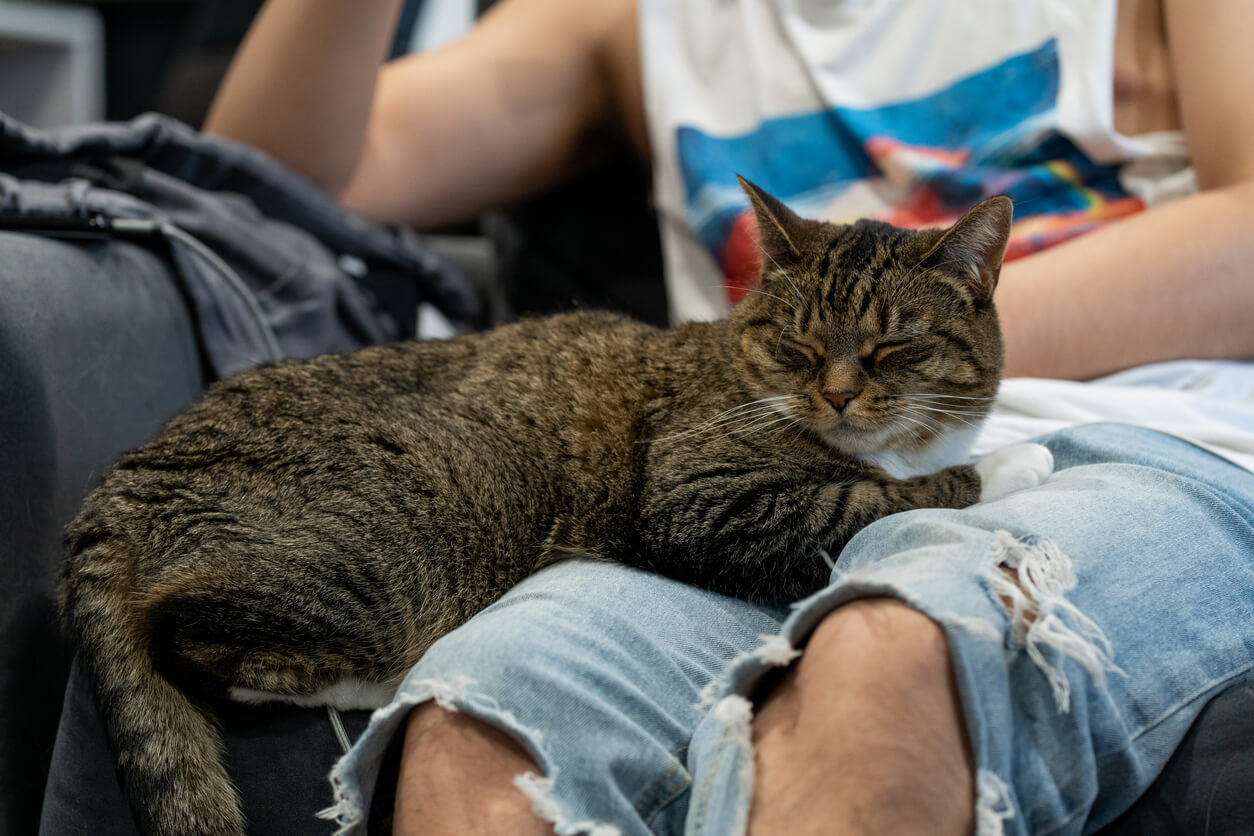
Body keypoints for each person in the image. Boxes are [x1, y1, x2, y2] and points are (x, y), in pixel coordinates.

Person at [205, 1, 1254, 833]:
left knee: (890, 658)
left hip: (1125, 433)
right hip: (745, 463)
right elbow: (270, 182)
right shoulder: (630, 17)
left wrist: (906, 353)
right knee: (478, 722)